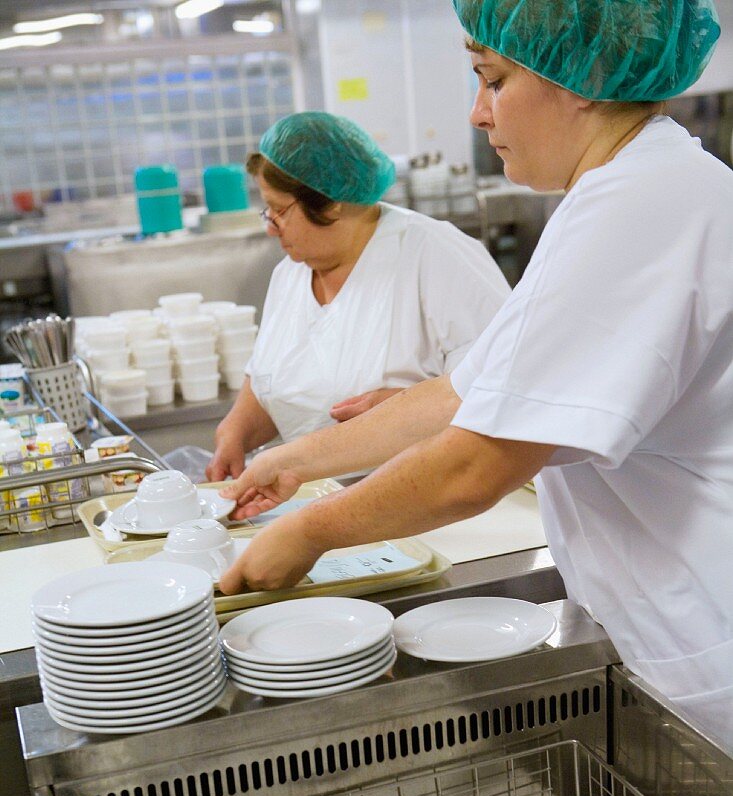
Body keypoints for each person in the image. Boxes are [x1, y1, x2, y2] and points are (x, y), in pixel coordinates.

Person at [218, 0, 733, 744]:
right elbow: (464, 392)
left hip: (703, 627)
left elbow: (473, 467)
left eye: (491, 80)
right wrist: (294, 460)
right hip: (676, 619)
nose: (477, 113)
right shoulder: (631, 188)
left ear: (580, 80)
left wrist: (309, 533)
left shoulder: (637, 207)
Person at [205, 111, 510, 482]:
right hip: (311, 496)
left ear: (332, 201)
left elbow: (500, 387)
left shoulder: (436, 255)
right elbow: (271, 377)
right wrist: (236, 432)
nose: (271, 227)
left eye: (281, 211)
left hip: (429, 496)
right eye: (266, 210)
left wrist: (410, 410)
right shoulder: (290, 272)